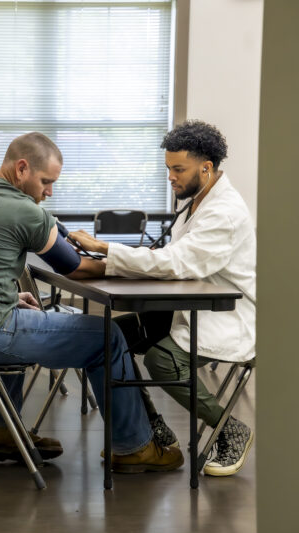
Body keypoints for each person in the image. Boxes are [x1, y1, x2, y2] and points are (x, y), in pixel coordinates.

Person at [0, 132, 183, 473]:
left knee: (20, 311)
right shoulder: (24, 211)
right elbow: (74, 267)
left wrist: (8, 297)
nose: (49, 192)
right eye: (46, 182)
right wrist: (135, 264)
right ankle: (134, 448)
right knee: (108, 337)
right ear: (22, 168)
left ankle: (0, 433)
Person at [69, 120, 256, 477]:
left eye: (178, 169)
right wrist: (107, 263)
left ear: (207, 167)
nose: (171, 176)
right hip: (185, 306)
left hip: (226, 315)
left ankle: (229, 428)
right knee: (104, 340)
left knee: (162, 362)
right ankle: (149, 429)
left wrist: (106, 250)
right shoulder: (196, 202)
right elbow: (174, 257)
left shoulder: (224, 212)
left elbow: (179, 262)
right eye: (168, 168)